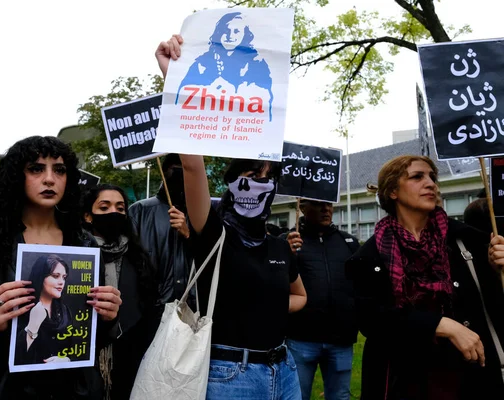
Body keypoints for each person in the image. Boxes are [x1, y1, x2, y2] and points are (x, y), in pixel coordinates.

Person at [156, 35, 307, 399]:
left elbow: (301, 297)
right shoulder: (213, 231)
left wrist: (266, 303)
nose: (261, 184)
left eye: (269, 177)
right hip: (230, 375)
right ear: (230, 182)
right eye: (253, 175)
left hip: (285, 371)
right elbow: (192, 165)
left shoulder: (277, 244)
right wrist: (173, 78)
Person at [0, 136, 122, 399]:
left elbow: (90, 337)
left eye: (59, 170)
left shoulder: (84, 242)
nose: (49, 179)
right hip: (3, 389)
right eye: (36, 169)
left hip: (71, 389)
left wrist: (108, 317)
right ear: (16, 176)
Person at [345, 155, 504, 399]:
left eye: (432, 177)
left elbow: (492, 305)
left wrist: (497, 270)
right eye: (417, 177)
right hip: (404, 378)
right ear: (393, 191)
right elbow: (371, 319)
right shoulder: (369, 256)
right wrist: (441, 325)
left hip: (467, 376)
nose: (431, 183)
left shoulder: (468, 241)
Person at [82, 183, 160, 399]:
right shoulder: (74, 255)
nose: (113, 213)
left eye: (120, 208)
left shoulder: (139, 258)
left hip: (129, 359)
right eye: (104, 208)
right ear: (88, 216)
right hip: (85, 362)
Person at [284, 200, 360, 400]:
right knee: (296, 396)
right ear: (303, 207)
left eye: (329, 204)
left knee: (340, 396)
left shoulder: (348, 243)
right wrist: (285, 253)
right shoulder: (288, 242)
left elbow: (361, 285)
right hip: (300, 339)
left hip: (341, 340)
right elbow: (274, 281)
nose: (326, 209)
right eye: (319, 205)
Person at [175, 11, 274, 120]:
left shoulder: (257, 64)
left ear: (245, 35)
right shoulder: (201, 64)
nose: (230, 36)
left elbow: (267, 107)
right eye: (226, 30)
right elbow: (179, 101)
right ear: (218, 33)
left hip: (243, 129)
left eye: (236, 31)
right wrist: (171, 68)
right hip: (204, 127)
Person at [128, 154, 193, 307]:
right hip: (152, 309)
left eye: (187, 170)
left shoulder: (202, 214)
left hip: (191, 309)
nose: (181, 175)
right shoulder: (139, 211)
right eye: (176, 170)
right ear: (163, 173)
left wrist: (189, 235)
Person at [15, 254, 72, 366]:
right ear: (41, 277)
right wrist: (32, 327)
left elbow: (74, 349)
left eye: (64, 277)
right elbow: (17, 358)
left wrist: (67, 360)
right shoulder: (22, 308)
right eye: (55, 276)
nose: (61, 282)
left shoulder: (65, 311)